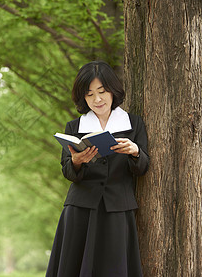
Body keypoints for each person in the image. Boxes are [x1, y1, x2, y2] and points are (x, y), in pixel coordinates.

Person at [46, 61, 150, 277]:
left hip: (118, 209)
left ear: (113, 90)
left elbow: (143, 167)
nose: (97, 99)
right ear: (83, 98)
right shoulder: (74, 128)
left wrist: (135, 151)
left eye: (102, 92)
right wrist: (77, 161)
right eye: (90, 94)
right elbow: (67, 171)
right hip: (80, 209)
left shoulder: (134, 123)